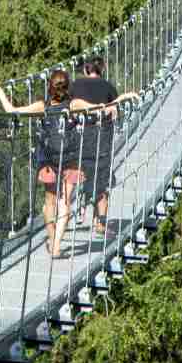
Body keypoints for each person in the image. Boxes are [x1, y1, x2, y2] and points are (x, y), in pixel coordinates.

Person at [0, 73, 137, 258]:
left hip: (48, 159)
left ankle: (52, 241)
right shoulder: (74, 104)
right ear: (68, 87)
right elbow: (102, 109)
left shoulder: (41, 106)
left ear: (50, 87)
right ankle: (57, 246)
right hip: (70, 158)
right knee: (65, 203)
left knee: (49, 203)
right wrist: (121, 98)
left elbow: (12, 110)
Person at [70, 57, 119, 237]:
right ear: (102, 69)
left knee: (74, 177)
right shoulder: (108, 87)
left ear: (85, 70)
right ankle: (100, 223)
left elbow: (68, 110)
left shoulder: (74, 85)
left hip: (78, 139)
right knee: (102, 182)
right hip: (101, 139)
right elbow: (114, 113)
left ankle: (68, 214)